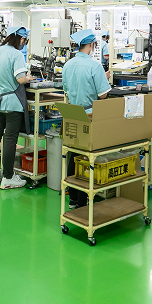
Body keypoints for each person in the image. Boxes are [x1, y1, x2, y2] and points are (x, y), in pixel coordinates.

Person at [62, 28, 112, 207]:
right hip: (90, 115)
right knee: (87, 157)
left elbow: (66, 89)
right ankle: (83, 201)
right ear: (91, 45)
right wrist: (103, 78)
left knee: (74, 153)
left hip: (73, 114)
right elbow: (103, 95)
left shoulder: (68, 65)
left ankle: (73, 198)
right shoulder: (94, 66)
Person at [0, 27, 33, 189]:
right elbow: (20, 79)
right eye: (24, 40)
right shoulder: (17, 54)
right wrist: (28, 77)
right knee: (10, 139)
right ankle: (8, 177)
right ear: (20, 39)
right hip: (12, 103)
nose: (24, 44)